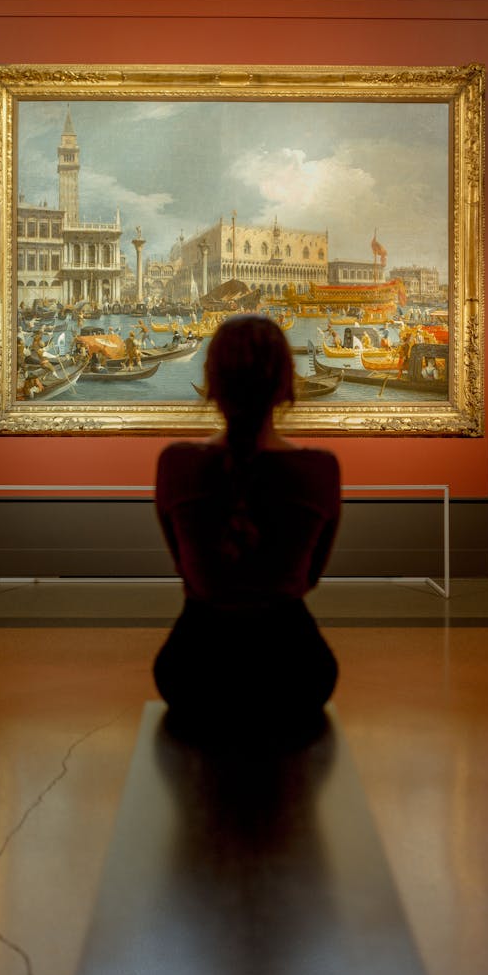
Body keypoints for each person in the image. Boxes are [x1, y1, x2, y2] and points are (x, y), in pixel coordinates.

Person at [153, 314, 340, 744]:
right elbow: (308, 578)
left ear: (213, 382)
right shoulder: (320, 470)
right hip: (296, 675)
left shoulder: (176, 465)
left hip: (193, 674)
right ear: (285, 385)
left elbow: (187, 569)